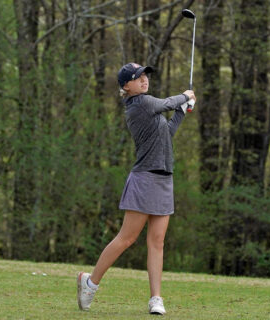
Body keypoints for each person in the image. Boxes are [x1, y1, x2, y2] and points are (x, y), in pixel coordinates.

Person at [77, 62, 196, 315]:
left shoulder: (149, 107)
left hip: (164, 179)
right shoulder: (140, 104)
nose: (144, 80)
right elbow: (166, 103)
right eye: (137, 77)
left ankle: (156, 298)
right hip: (144, 179)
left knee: (157, 242)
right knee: (127, 238)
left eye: (145, 76)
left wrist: (182, 111)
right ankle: (90, 283)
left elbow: (167, 131)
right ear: (126, 86)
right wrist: (184, 97)